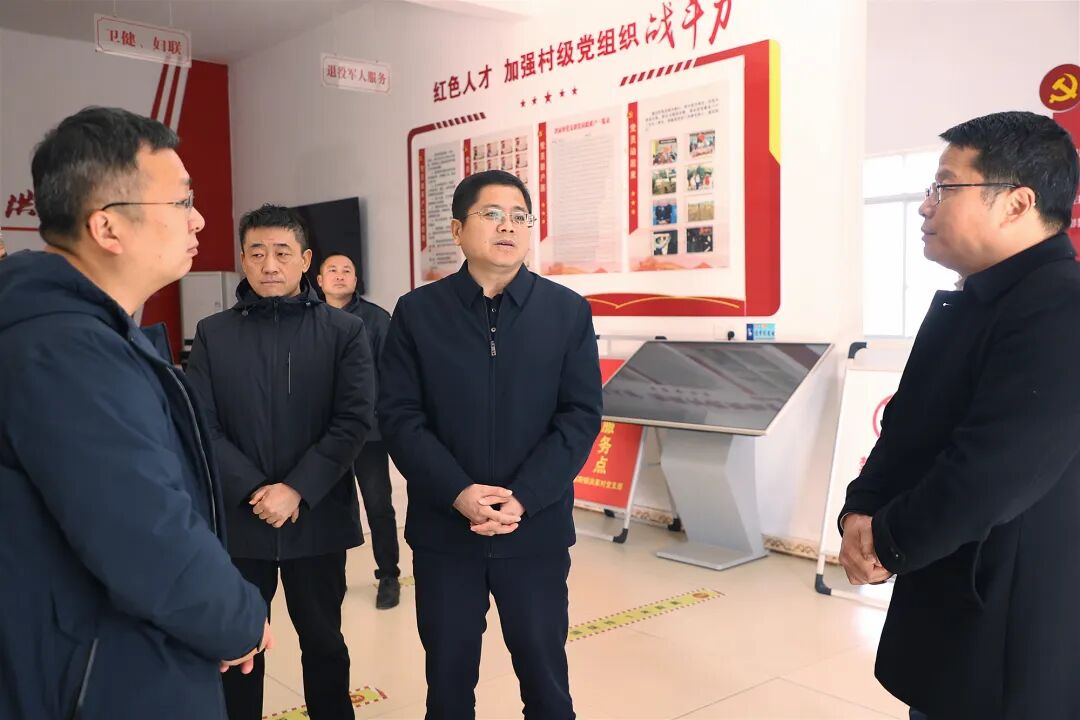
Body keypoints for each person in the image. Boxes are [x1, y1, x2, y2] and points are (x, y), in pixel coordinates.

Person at [0, 106, 270, 719]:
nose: (199, 219)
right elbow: (147, 537)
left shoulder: (87, 336)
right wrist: (238, 619)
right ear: (107, 227)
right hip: (99, 678)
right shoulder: (67, 351)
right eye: (181, 202)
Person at [838, 110, 1080, 720]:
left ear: (1017, 203)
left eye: (945, 187)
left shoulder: (1060, 308)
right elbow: (907, 428)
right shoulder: (976, 300)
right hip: (948, 581)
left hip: (1010, 617)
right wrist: (860, 508)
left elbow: (992, 470)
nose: (926, 206)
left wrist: (886, 542)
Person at [379, 169, 603, 719]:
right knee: (448, 682)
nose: (509, 227)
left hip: (535, 530)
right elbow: (400, 417)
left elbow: (579, 416)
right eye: (492, 214)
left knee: (546, 679)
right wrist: (458, 492)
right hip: (445, 532)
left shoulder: (566, 311)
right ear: (457, 229)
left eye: (520, 217)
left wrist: (523, 497)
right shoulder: (417, 312)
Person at [186, 205, 375, 720]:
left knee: (324, 641)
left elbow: (353, 420)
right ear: (243, 260)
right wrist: (255, 489)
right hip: (239, 521)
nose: (270, 265)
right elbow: (201, 424)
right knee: (239, 647)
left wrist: (295, 489)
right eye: (257, 253)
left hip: (316, 516)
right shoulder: (213, 333)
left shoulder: (343, 331)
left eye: (282, 252)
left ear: (306, 260)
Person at [316, 252, 402, 609]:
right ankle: (331, 578)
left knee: (378, 504)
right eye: (332, 270)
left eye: (346, 270)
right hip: (323, 434)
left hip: (369, 433)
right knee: (330, 507)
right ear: (319, 280)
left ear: (355, 280)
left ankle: (389, 575)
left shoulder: (377, 319)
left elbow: (392, 376)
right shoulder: (307, 316)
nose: (339, 275)